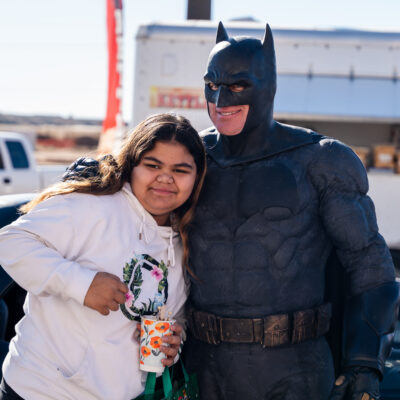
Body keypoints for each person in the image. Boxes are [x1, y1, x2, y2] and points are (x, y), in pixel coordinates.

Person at [63, 23, 399, 400]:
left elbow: (370, 267)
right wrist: (98, 173)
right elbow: (139, 179)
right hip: (205, 366)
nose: (220, 99)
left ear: (268, 84)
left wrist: (364, 361)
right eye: (212, 84)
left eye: (237, 86)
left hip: (296, 367)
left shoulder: (322, 160)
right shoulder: (191, 157)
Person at [0, 113, 207, 400]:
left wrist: (176, 339)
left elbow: (178, 316)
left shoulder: (184, 239)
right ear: (132, 165)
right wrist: (82, 285)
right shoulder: (91, 206)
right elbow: (10, 242)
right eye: (152, 165)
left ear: (197, 177)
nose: (165, 178)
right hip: (43, 391)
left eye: (181, 170)